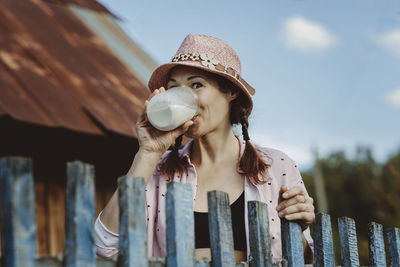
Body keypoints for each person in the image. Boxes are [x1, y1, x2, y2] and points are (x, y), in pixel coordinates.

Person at [95, 34, 315, 264]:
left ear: (231, 91)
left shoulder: (276, 166)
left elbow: (306, 260)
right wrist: (147, 154)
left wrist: (297, 228)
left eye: (196, 85)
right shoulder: (158, 172)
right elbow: (103, 248)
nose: (183, 98)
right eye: (174, 89)